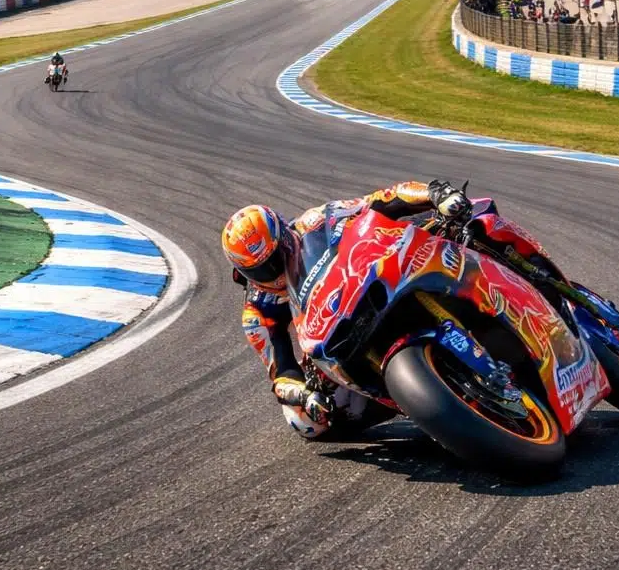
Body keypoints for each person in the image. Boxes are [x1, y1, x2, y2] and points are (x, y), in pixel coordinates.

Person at [220, 179, 555, 439]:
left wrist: (434, 194)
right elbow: (280, 372)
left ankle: (541, 279)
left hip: (367, 281)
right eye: (261, 269)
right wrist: (303, 393)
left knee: (469, 222)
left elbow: (379, 202)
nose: (274, 270)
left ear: (284, 234)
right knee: (306, 424)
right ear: (244, 274)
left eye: (276, 257)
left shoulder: (314, 221)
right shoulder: (256, 312)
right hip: (329, 339)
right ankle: (416, 399)